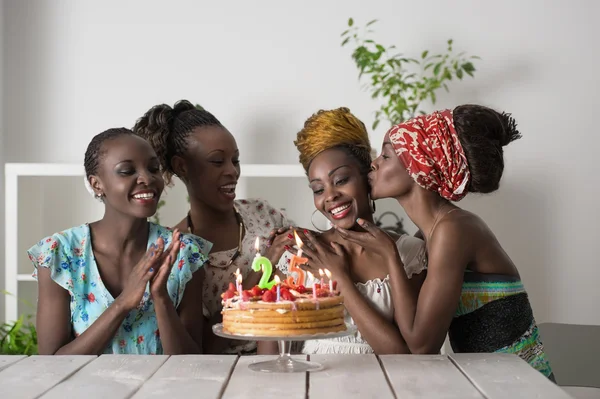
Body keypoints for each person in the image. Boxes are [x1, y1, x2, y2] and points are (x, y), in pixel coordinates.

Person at [336, 106, 554, 378]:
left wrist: (390, 255)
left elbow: (421, 347)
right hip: (482, 384)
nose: (374, 163)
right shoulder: (429, 235)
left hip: (521, 388)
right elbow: (411, 335)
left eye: (387, 155)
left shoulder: (453, 231)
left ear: (420, 167)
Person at [28, 128, 211, 355]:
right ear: (96, 184)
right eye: (126, 171)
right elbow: (51, 365)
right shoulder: (60, 255)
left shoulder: (184, 252)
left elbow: (192, 363)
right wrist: (123, 303)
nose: (147, 178)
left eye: (154, 168)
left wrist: (161, 298)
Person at [134, 100, 294, 354]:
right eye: (217, 162)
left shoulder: (264, 214)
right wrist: (265, 267)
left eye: (235, 160)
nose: (232, 171)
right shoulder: (179, 250)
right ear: (181, 166)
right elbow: (205, 347)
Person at [266, 107, 427, 355]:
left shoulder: (410, 254)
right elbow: (269, 356)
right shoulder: (301, 254)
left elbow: (403, 356)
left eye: (341, 180)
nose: (330, 196)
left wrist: (340, 281)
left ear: (367, 177)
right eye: (318, 189)